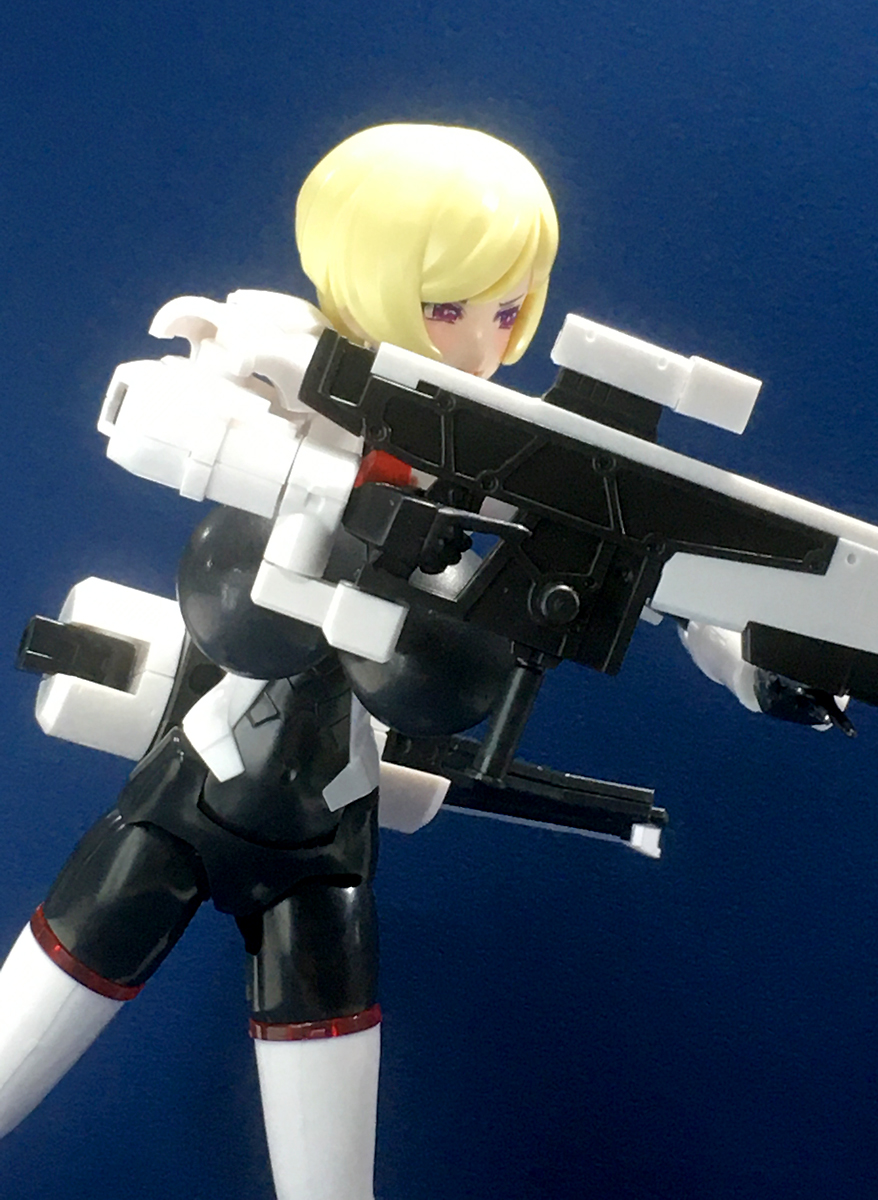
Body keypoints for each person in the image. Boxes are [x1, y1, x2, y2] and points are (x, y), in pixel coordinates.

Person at [0, 124, 559, 1200]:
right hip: (190, 792)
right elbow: (185, 410)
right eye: (447, 308)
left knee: (329, 1168)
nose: (479, 344)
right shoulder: (310, 390)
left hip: (328, 832)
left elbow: (652, 585)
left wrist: (756, 662)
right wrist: (226, 369)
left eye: (505, 311)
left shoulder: (506, 467)